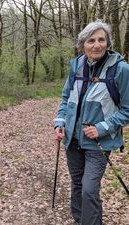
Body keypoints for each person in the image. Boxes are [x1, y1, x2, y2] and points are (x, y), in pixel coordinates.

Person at [54, 21, 129, 225]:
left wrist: (101, 128)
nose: (96, 45)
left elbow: (127, 110)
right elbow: (65, 98)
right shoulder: (76, 65)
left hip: (99, 143)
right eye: (91, 40)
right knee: (77, 185)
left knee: (89, 189)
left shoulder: (121, 70)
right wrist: (60, 122)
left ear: (108, 43)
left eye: (101, 40)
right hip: (72, 139)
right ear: (83, 45)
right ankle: (80, 220)